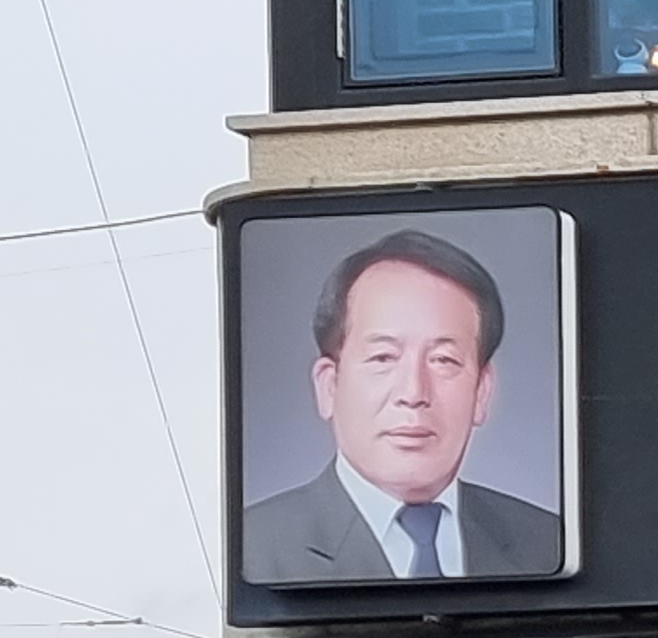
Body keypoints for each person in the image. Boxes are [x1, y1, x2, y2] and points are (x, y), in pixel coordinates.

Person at [241, 229, 564, 586]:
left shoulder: (549, 544)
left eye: (443, 360)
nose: (413, 393)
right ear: (329, 385)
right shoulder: (252, 548)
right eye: (383, 357)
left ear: (482, 391)